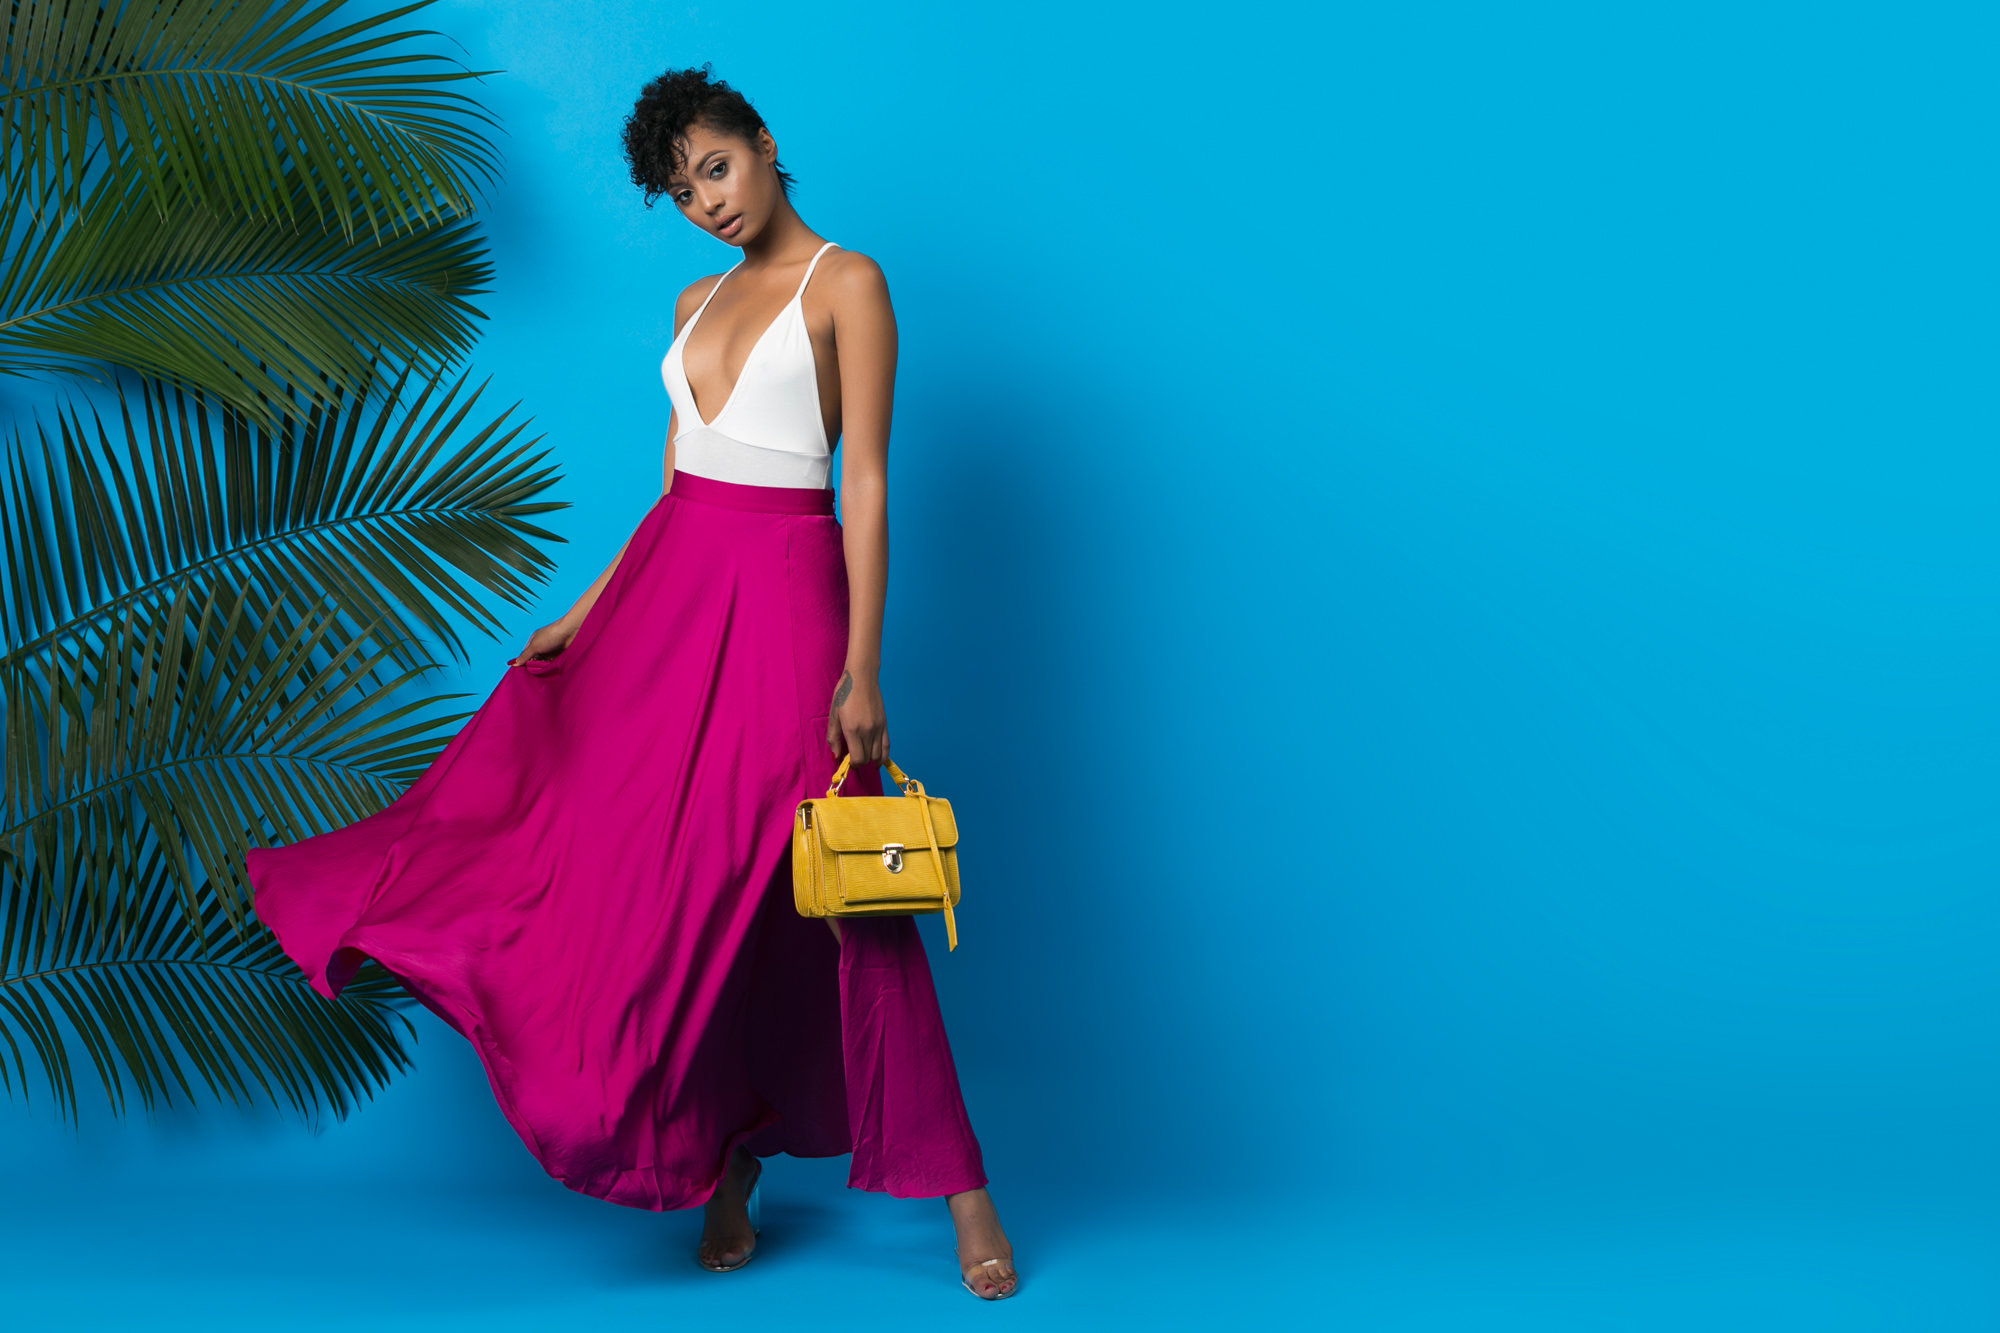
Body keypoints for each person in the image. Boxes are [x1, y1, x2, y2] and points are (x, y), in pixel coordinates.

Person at [243, 65, 1017, 1300]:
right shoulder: (690, 301)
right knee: (670, 882)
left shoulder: (847, 282)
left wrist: (862, 665)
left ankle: (961, 1186)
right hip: (667, 603)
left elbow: (864, 481)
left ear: (761, 143)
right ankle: (726, 1161)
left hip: (785, 605)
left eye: (716, 167)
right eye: (682, 191)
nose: (707, 202)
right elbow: (673, 490)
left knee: (841, 890)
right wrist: (583, 613)